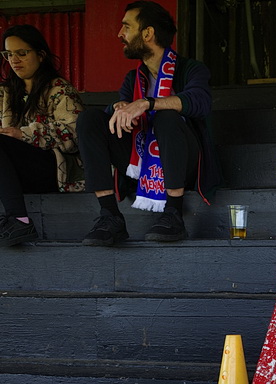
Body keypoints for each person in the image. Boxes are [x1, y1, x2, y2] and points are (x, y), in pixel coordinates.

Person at [77, 0, 219, 246]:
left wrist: (148, 103)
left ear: (147, 33)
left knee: (166, 115)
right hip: (139, 161)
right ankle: (110, 216)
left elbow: (200, 101)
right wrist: (119, 108)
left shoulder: (190, 69)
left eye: (126, 27)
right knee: (90, 119)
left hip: (183, 162)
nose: (120, 34)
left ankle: (173, 213)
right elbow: (122, 108)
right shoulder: (133, 77)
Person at [0, 25, 84, 247]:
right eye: (9, 54)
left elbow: (75, 133)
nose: (14, 60)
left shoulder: (59, 89)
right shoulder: (8, 92)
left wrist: (24, 134)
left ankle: (19, 220)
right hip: (16, 172)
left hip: (54, 168)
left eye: (22, 53)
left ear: (40, 54)